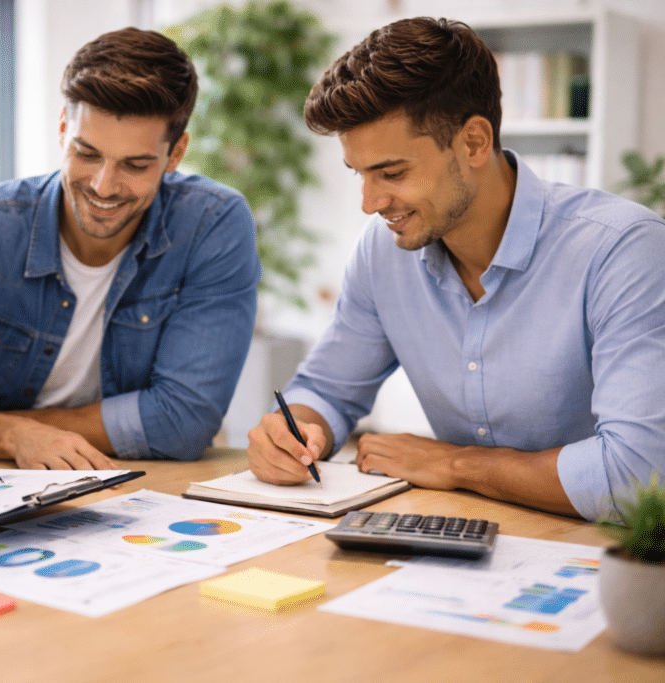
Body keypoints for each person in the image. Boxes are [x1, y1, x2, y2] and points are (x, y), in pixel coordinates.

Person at [246, 17, 665, 521]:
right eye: (360, 174)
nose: (370, 202)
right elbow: (328, 390)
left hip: (606, 558)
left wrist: (458, 464)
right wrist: (293, 431)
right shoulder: (382, 254)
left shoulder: (621, 250)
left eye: (392, 172)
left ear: (473, 142)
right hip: (463, 540)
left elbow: (639, 475)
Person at [0, 28, 260, 470]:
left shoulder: (213, 225)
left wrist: (5, 429)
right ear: (63, 129)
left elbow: (183, 419)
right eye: (87, 153)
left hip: (134, 483)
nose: (104, 186)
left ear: (176, 154)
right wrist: (15, 436)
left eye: (135, 165)